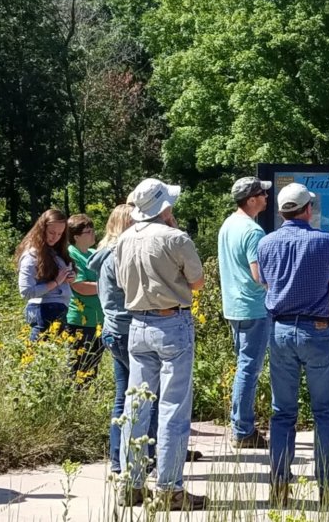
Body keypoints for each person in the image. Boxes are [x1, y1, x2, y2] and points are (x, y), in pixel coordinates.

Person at [114, 178, 207, 510]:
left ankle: (131, 483)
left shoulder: (122, 240)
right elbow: (197, 283)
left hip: (137, 323)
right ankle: (169, 488)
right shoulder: (176, 238)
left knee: (136, 406)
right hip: (171, 323)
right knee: (173, 409)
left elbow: (121, 281)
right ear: (164, 208)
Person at [258, 183, 329, 507]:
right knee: (325, 411)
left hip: (280, 330)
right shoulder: (325, 242)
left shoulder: (266, 243)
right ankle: (327, 485)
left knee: (282, 412)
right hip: (316, 328)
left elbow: (264, 282)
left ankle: (279, 485)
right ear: (308, 209)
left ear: (283, 211)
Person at [90, 203, 156, 478]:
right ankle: (146, 459)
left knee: (123, 398)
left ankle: (118, 461)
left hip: (112, 330)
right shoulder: (120, 254)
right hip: (130, 330)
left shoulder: (103, 254)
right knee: (147, 395)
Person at [218, 176, 273, 449]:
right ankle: (243, 429)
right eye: (262, 193)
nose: (266, 197)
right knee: (249, 368)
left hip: (234, 305)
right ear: (251, 200)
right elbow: (258, 275)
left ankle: (241, 424)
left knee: (244, 365)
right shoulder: (253, 232)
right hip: (253, 306)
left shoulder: (229, 224)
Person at [16, 209, 75, 341]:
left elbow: (64, 275)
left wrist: (71, 277)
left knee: (51, 358)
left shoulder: (56, 252)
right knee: (40, 357)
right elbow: (26, 292)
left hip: (57, 309)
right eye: (51, 232)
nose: (55, 237)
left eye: (60, 234)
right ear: (41, 229)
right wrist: (56, 282)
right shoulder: (31, 256)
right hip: (44, 311)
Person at [65, 214, 105, 382]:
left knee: (92, 369)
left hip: (97, 319)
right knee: (79, 368)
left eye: (92, 230)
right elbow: (79, 286)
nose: (92, 234)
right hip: (80, 320)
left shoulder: (93, 253)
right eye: (88, 231)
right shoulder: (72, 254)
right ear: (76, 237)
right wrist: (107, 287)